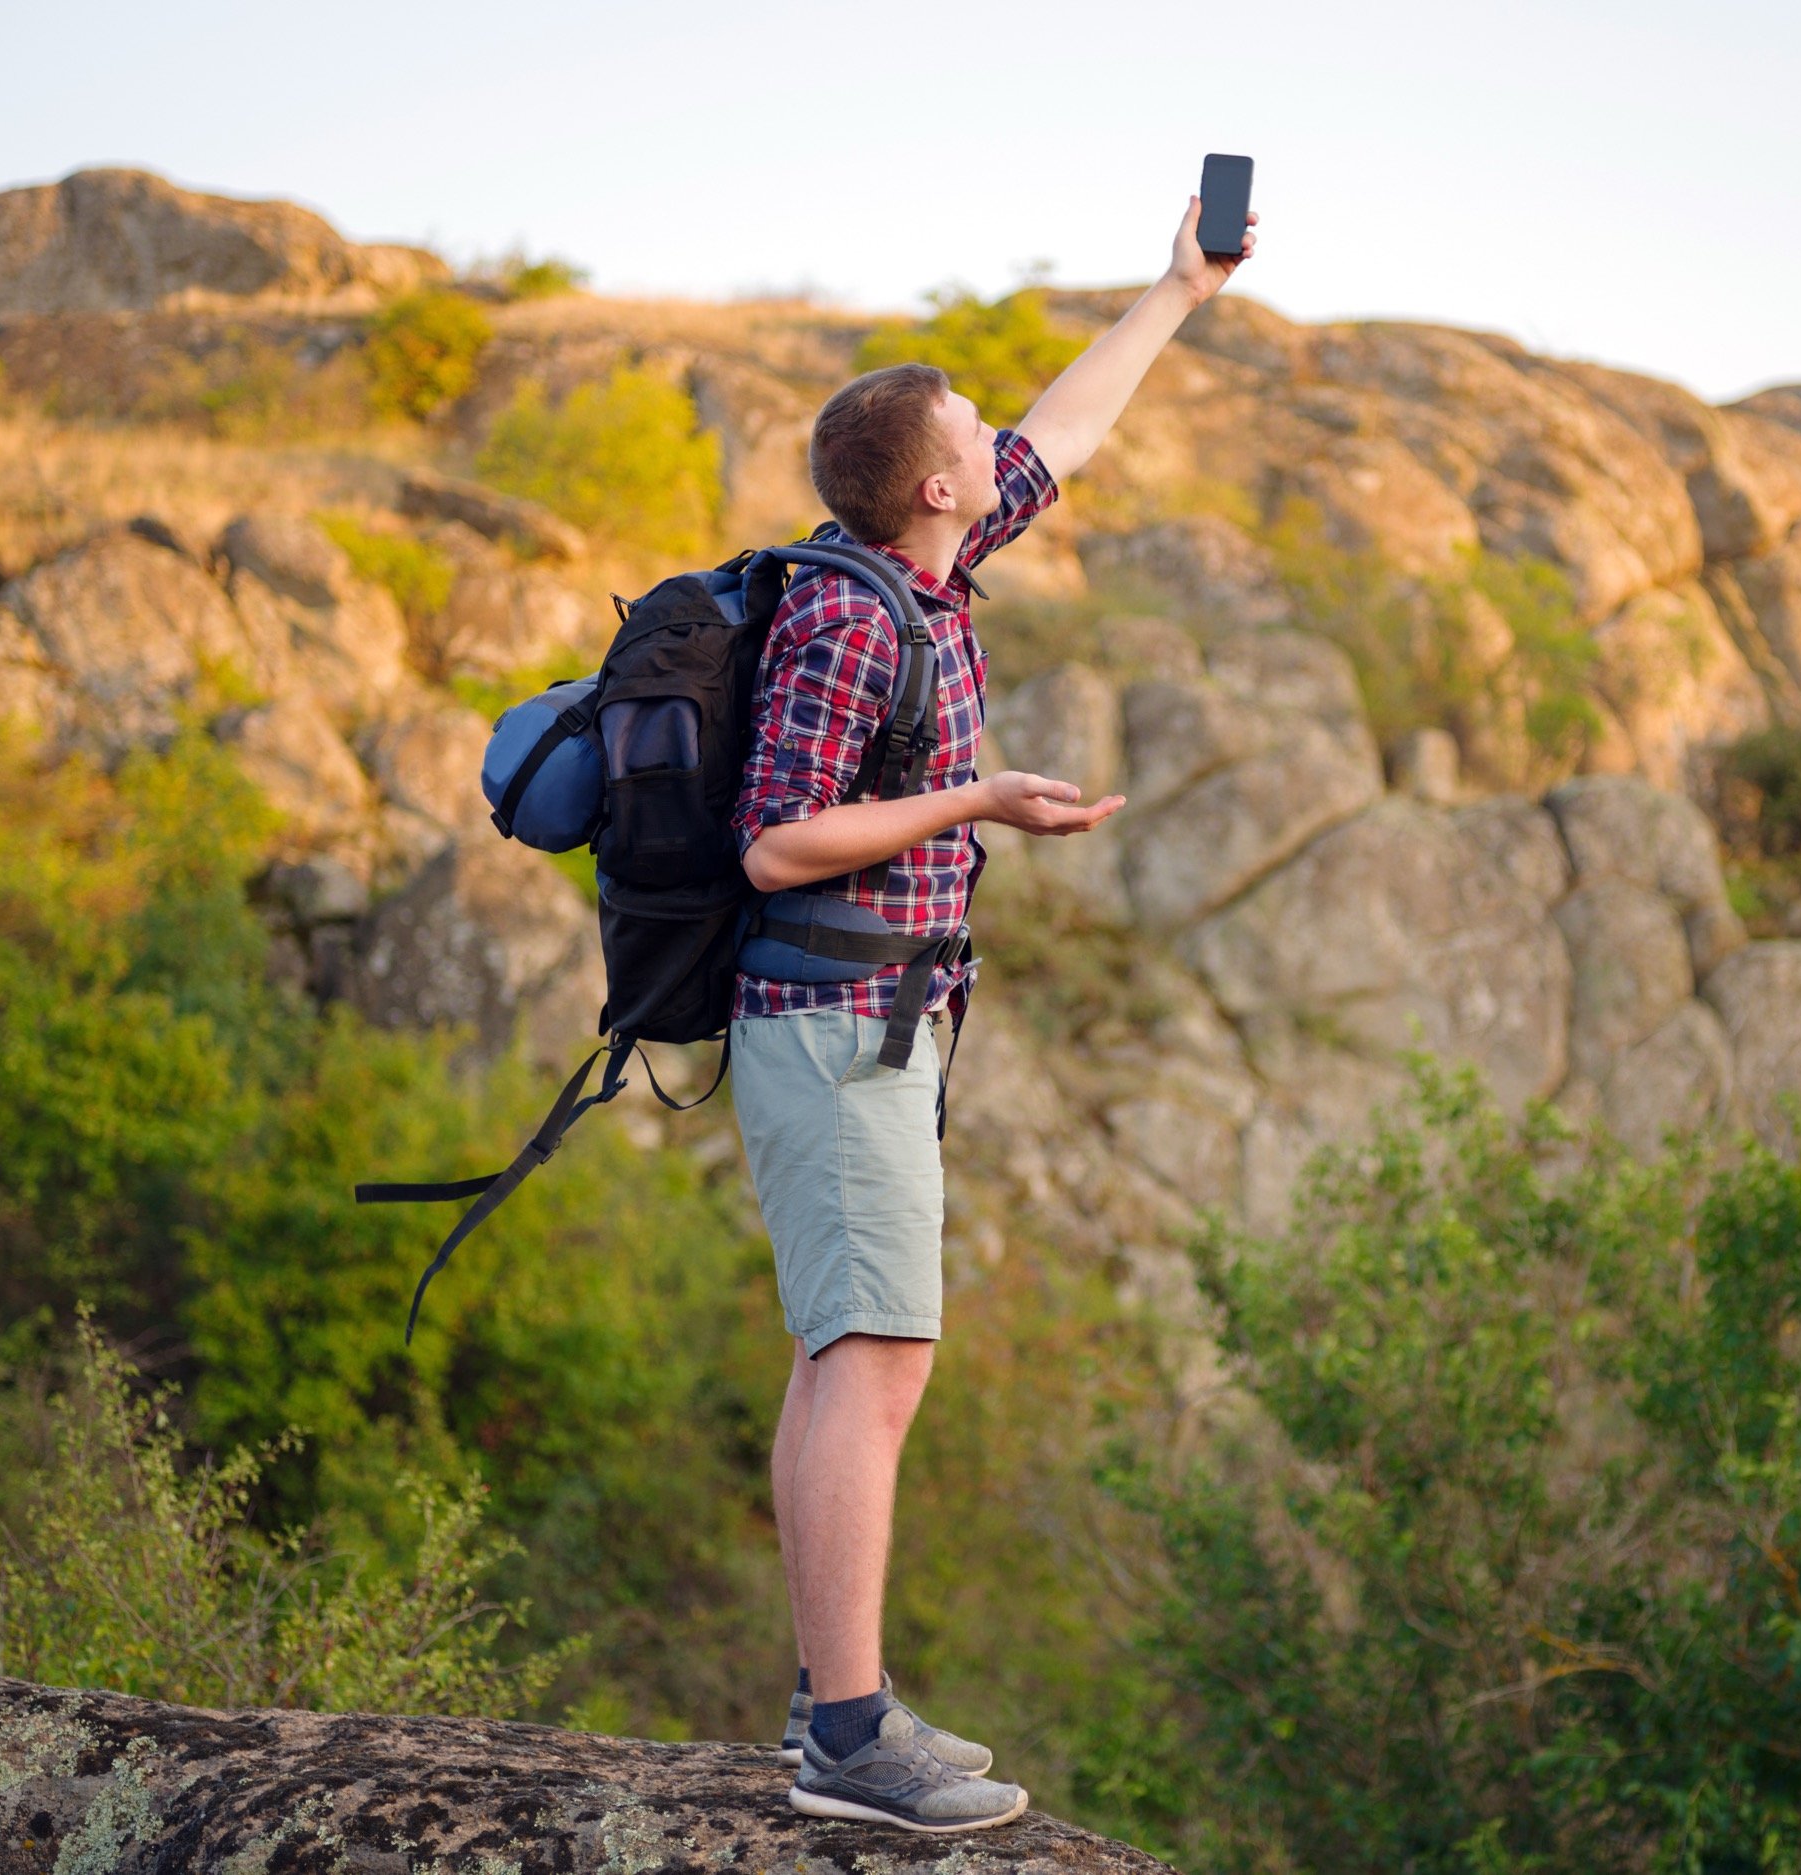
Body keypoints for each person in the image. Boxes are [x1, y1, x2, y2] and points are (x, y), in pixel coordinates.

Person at [729, 192, 1258, 1835]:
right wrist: (975, 801)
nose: (993, 434)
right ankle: (847, 1739)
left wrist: (1179, 290)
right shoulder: (846, 612)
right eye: (967, 425)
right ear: (933, 489)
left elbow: (1064, 429)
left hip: (875, 1027)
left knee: (844, 1360)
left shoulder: (931, 557)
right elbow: (775, 836)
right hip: (830, 1026)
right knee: (877, 1360)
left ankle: (840, 1708)